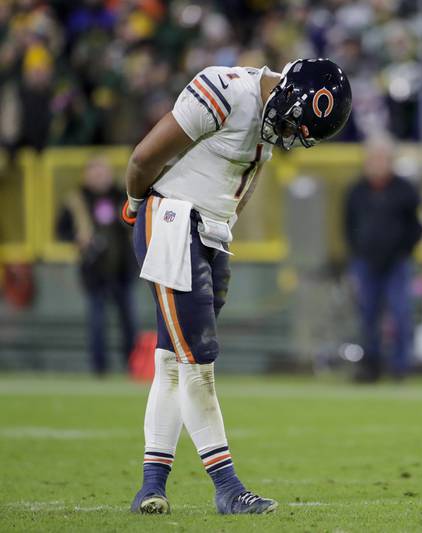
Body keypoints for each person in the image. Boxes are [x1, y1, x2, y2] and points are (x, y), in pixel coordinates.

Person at [121, 59, 351, 515]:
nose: (287, 134)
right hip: (172, 221)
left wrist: (223, 231)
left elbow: (242, 182)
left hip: (210, 233)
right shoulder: (225, 89)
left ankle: (151, 486)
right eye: (289, 122)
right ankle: (227, 487)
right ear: (282, 88)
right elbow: (144, 157)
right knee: (197, 362)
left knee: (172, 362)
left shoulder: (271, 116)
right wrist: (133, 205)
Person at [344, 136, 422, 382]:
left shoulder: (404, 191)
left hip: (397, 262)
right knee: (367, 316)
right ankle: (371, 366)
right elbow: (348, 226)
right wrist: (357, 252)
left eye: (382, 158)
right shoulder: (356, 191)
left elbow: (417, 226)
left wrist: (404, 250)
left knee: (400, 314)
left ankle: (400, 367)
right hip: (366, 262)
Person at [57, 156, 138, 376]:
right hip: (94, 272)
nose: (99, 176)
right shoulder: (77, 199)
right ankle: (99, 368)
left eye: (102, 171)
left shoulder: (123, 195)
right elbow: (60, 230)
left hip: (123, 270)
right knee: (97, 322)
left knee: (129, 321)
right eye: (94, 172)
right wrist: (77, 238)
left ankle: (133, 365)